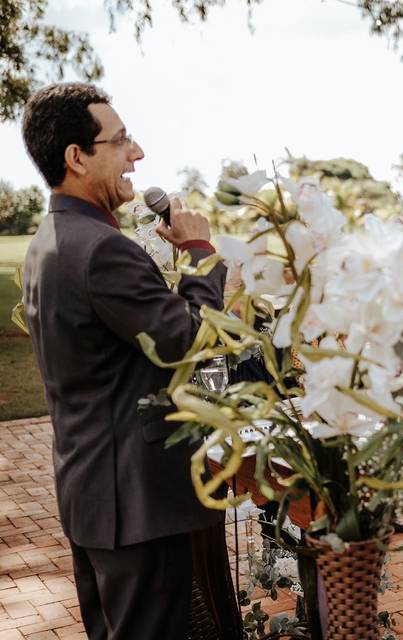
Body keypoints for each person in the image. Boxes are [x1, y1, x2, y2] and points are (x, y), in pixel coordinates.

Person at [20, 83, 226, 638]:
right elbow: (190, 340)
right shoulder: (102, 248)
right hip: (138, 505)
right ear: (77, 157)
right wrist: (202, 256)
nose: (137, 154)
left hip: (93, 496)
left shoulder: (48, 240)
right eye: (121, 140)